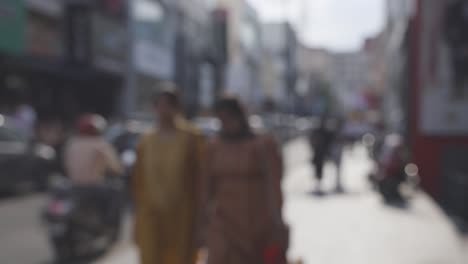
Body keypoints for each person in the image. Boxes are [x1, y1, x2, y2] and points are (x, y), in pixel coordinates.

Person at [200, 96, 287, 264]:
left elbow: (274, 186)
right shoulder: (213, 148)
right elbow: (205, 189)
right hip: (224, 225)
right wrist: (201, 225)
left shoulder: (263, 146)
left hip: (258, 225)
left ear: (240, 117)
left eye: (230, 117)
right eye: (222, 118)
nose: (227, 123)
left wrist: (278, 222)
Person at [132, 87, 204, 264]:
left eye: (168, 105)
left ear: (177, 108)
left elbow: (201, 176)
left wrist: (203, 216)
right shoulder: (146, 140)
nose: (164, 110)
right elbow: (139, 180)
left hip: (182, 216)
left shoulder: (191, 136)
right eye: (160, 105)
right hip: (151, 215)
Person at [64, 113, 123, 185]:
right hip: (94, 188)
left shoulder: (72, 143)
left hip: (73, 186)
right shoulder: (100, 145)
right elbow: (116, 169)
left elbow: (66, 167)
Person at [309, 115, 336, 194]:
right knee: (318, 169)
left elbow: (329, 140)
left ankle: (319, 182)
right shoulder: (318, 132)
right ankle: (318, 183)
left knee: (320, 169)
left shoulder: (323, 132)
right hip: (318, 153)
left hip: (321, 153)